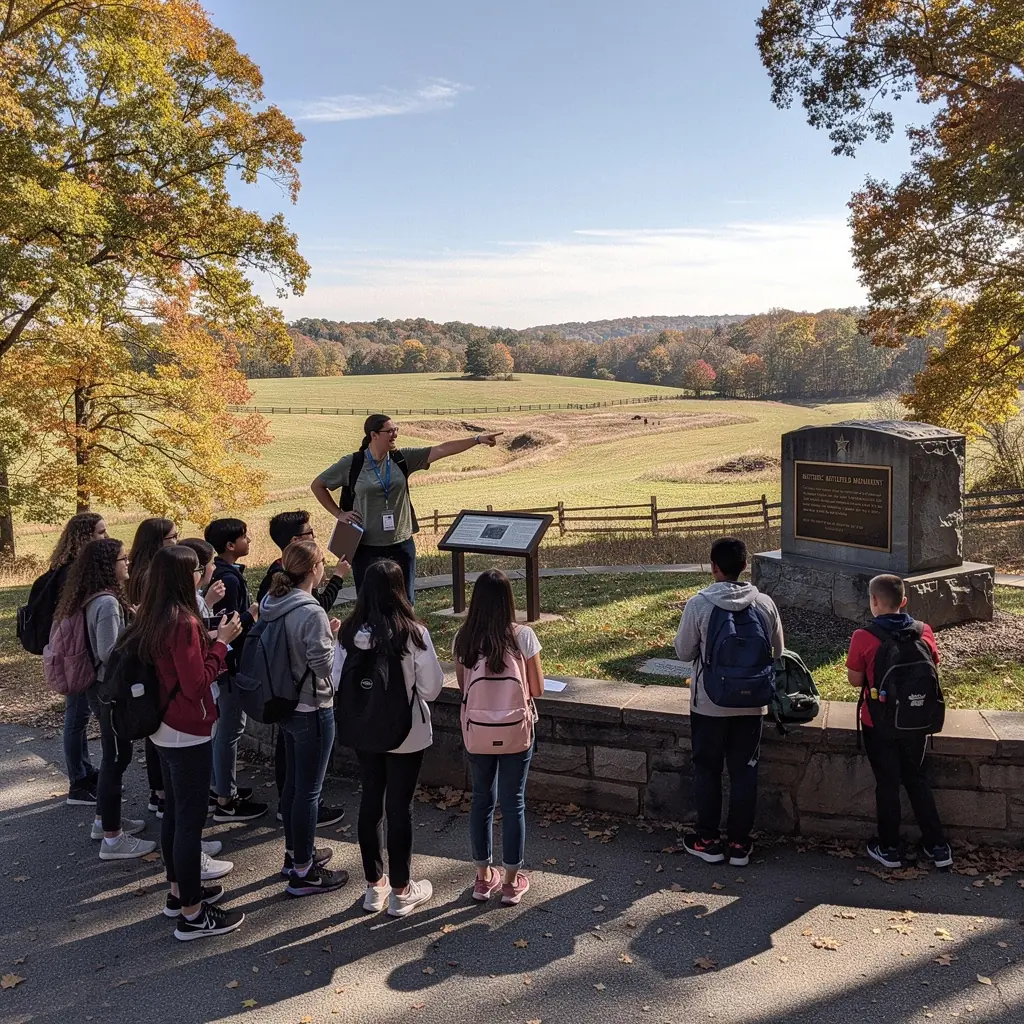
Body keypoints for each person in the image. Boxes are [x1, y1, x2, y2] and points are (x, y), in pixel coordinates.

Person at [120, 544, 245, 940]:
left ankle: (178, 893)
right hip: (187, 730)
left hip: (164, 727)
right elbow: (194, 684)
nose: (200, 577)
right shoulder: (182, 622)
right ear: (183, 578)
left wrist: (209, 639)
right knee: (190, 823)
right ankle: (192, 914)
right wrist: (221, 643)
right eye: (195, 572)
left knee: (174, 814)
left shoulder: (154, 616)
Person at [334, 560, 444, 917]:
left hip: (364, 730)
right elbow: (430, 689)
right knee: (400, 808)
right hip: (406, 732)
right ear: (399, 590)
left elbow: (337, 681)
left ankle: (373, 886)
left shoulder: (348, 632)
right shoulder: (412, 633)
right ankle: (401, 889)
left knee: (370, 802)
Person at [311, 414, 502, 605]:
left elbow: (442, 449)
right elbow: (318, 485)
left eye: (396, 430)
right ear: (374, 435)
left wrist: (477, 440)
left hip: (402, 544)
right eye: (390, 431)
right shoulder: (353, 463)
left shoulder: (402, 458)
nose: (395, 435)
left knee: (406, 602)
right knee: (369, 603)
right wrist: (339, 513)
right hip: (366, 547)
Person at [674, 537, 784, 868]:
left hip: (709, 702)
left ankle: (707, 839)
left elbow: (683, 651)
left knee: (707, 769)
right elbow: (777, 651)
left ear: (714, 567)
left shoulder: (699, 604)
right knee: (744, 770)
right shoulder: (764, 603)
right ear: (744, 566)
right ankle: (739, 843)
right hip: (752, 703)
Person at [53, 537, 157, 859]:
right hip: (107, 689)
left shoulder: (89, 598)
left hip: (97, 689)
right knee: (115, 758)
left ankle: (103, 821)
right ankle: (113, 839)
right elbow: (109, 652)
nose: (127, 563)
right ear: (107, 566)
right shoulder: (107, 603)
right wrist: (139, 630)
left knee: (115, 755)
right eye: (123, 559)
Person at [259, 538, 350, 896]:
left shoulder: (272, 601)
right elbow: (322, 665)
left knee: (294, 785)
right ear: (314, 570)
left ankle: (295, 853)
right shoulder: (310, 611)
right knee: (309, 792)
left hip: (284, 703)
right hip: (312, 706)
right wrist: (329, 634)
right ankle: (303, 871)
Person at [846, 574, 952, 869]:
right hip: (916, 719)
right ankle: (938, 846)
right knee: (917, 779)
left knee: (887, 783)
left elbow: (855, 680)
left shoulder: (863, 636)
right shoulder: (923, 630)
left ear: (873, 601)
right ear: (903, 602)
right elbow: (933, 664)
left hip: (877, 721)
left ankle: (889, 847)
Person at [453, 569, 544, 906]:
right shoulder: (523, 637)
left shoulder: (464, 638)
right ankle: (510, 881)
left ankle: (481, 877)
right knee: (513, 801)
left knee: (481, 799)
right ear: (509, 601)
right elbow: (536, 689)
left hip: (478, 730)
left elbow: (465, 690)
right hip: (516, 729)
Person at [33, 513, 108, 805]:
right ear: (84, 537)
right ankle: (78, 782)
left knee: (78, 716)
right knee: (76, 718)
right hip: (76, 655)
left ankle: (85, 771)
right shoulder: (73, 573)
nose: (105, 536)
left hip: (76, 653)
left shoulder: (67, 568)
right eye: (100, 532)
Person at [204, 517, 267, 823]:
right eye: (245, 536)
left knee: (229, 729)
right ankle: (225, 800)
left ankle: (222, 787)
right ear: (230, 546)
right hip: (229, 665)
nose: (249, 540)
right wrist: (252, 612)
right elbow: (228, 626)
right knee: (230, 730)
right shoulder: (227, 580)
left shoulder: (226, 573)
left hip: (226, 663)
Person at [126, 517, 179, 817]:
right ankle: (160, 793)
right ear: (158, 542)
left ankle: (156, 791)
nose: (176, 540)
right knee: (158, 727)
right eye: (173, 537)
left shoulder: (136, 570)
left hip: (145, 651)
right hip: (153, 653)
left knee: (154, 728)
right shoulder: (151, 575)